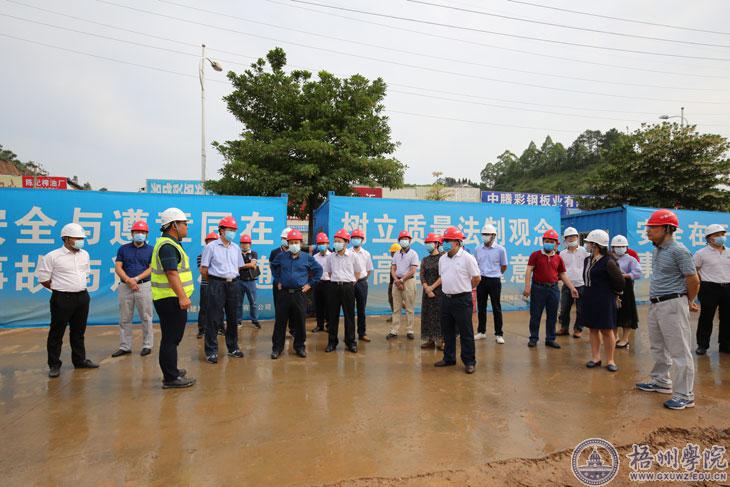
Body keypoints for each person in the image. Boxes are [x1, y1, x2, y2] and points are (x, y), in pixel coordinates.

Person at [635, 209, 699, 410]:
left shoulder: (679, 251)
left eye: (653, 228)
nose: (648, 231)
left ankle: (685, 395)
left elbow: (693, 280)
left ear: (667, 229)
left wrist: (687, 301)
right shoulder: (657, 250)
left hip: (673, 303)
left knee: (679, 350)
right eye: (648, 227)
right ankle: (661, 381)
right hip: (656, 304)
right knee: (658, 346)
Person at [36, 222, 99, 378]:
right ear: (66, 238)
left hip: (82, 297)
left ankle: (79, 360)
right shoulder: (53, 256)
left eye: (82, 238)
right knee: (57, 333)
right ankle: (54, 365)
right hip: (62, 298)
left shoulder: (85, 254)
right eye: (77, 238)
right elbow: (44, 279)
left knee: (78, 332)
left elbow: (85, 274)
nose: (80, 241)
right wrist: (60, 289)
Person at [150, 208, 195, 389]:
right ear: (173, 225)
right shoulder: (168, 246)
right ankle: (170, 378)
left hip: (169, 298)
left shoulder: (170, 244)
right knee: (171, 338)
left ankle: (172, 370)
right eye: (184, 224)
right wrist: (182, 297)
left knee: (172, 337)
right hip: (171, 299)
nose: (186, 227)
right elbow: (171, 273)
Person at [434, 227, 481, 374]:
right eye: (444, 241)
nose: (444, 243)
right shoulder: (442, 259)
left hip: (462, 300)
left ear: (457, 242)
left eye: (447, 241)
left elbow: (477, 278)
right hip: (446, 299)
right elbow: (443, 277)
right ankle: (449, 358)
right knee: (447, 331)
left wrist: (465, 288)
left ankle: (469, 361)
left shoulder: (467, 258)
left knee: (466, 332)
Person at [270, 229, 322, 359]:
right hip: (284, 294)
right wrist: (278, 280)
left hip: (299, 294)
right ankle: (277, 348)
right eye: (291, 242)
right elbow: (273, 266)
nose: (294, 245)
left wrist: (310, 284)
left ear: (301, 243)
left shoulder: (307, 258)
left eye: (296, 242)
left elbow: (318, 270)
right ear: (288, 243)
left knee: (300, 321)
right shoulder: (281, 257)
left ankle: (299, 347)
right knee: (280, 321)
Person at [523, 229, 580, 349]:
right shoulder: (535, 255)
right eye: (547, 241)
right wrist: (527, 286)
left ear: (556, 244)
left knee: (552, 315)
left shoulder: (558, 258)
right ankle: (533, 338)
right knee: (535, 315)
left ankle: (550, 339)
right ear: (543, 241)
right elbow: (529, 270)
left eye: (551, 241)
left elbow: (563, 274)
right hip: (538, 288)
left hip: (553, 289)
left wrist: (572, 288)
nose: (549, 243)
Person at [200, 215, 245, 364]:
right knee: (213, 318)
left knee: (233, 317)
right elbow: (204, 269)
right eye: (229, 229)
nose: (232, 232)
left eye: (234, 230)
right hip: (216, 284)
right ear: (221, 230)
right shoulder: (211, 247)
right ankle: (211, 351)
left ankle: (233, 348)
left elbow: (239, 267)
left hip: (233, 284)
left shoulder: (236, 248)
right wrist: (214, 282)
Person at [581, 230, 625, 372]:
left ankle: (610, 360)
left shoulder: (608, 261)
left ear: (596, 245)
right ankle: (596, 358)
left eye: (589, 243)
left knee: (606, 330)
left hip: (604, 299)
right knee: (593, 329)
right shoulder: (587, 260)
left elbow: (620, 281)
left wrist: (614, 294)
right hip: (589, 298)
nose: (587, 245)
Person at [111, 220, 154, 358]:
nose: (140, 234)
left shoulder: (151, 250)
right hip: (125, 286)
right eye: (137, 232)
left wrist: (136, 279)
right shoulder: (123, 249)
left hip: (144, 285)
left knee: (146, 317)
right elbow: (118, 267)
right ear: (132, 233)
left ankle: (147, 345)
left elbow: (151, 268)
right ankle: (125, 346)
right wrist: (128, 280)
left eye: (142, 232)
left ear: (146, 234)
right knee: (125, 317)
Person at [693, 223, 730, 355]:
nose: (721, 237)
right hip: (709, 287)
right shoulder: (701, 253)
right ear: (709, 238)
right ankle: (702, 345)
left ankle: (725, 345)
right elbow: (694, 271)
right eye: (717, 235)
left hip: (728, 287)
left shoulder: (729, 251)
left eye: (722, 234)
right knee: (706, 317)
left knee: (727, 318)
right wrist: (700, 283)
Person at [324, 229, 362, 353]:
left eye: (339, 241)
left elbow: (357, 272)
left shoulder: (353, 256)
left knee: (349, 315)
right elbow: (329, 272)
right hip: (334, 287)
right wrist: (337, 281)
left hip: (348, 287)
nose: (336, 243)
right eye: (335, 241)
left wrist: (350, 283)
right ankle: (332, 342)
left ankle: (350, 342)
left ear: (346, 242)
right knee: (332, 316)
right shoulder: (330, 257)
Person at [474, 223, 508, 344]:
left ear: (493, 236)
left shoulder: (500, 249)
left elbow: (504, 266)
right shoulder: (478, 249)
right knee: (481, 307)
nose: (485, 236)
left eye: (487, 234)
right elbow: (476, 265)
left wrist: (496, 273)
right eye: (483, 234)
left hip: (494, 280)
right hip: (481, 280)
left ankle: (499, 334)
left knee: (496, 307)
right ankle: (481, 331)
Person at [387, 230, 420, 340]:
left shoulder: (413, 254)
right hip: (396, 282)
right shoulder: (396, 254)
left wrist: (402, 280)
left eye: (406, 239)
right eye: (402, 239)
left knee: (409, 308)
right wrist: (397, 280)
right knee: (396, 308)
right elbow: (393, 268)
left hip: (409, 282)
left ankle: (410, 330)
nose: (404, 241)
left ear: (410, 240)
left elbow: (413, 270)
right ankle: (394, 330)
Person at [557, 227, 589, 338]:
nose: (571, 239)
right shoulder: (562, 254)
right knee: (564, 308)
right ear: (565, 239)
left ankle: (578, 329)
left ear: (577, 237)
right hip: (567, 285)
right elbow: (560, 270)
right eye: (568, 237)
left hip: (582, 285)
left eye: (573, 236)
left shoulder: (584, 251)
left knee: (581, 309)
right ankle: (564, 328)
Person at [611, 235, 642, 349]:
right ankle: (614, 337)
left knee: (626, 313)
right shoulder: (609, 258)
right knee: (612, 313)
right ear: (612, 247)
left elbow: (637, 273)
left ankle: (625, 339)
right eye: (617, 246)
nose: (620, 248)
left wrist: (625, 275)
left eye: (622, 246)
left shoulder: (631, 259)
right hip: (611, 288)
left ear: (626, 247)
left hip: (626, 288)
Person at [420, 233, 444, 350]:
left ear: (437, 244)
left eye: (430, 243)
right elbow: (422, 275)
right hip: (427, 293)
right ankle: (430, 340)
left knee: (439, 316)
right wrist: (427, 288)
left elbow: (443, 275)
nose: (428, 245)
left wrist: (432, 287)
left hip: (439, 292)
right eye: (427, 243)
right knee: (428, 315)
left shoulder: (443, 258)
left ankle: (441, 340)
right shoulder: (425, 260)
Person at [350, 229, 374, 343]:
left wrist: (361, 279)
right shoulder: (348, 253)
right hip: (349, 283)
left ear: (362, 240)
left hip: (362, 283)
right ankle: (350, 335)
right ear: (351, 239)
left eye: (358, 238)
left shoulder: (366, 254)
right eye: (354, 238)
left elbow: (369, 270)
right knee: (349, 310)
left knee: (361, 309)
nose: (356, 240)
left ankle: (362, 333)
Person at [196, 232, 219, 339]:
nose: (212, 243)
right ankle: (202, 330)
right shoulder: (201, 256)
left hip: (218, 285)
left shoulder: (221, 255)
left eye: (214, 241)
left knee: (219, 308)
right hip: (206, 285)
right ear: (206, 243)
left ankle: (220, 328)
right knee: (204, 307)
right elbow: (203, 271)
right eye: (210, 241)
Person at [238, 233, 260, 329]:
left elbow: (252, 264)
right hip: (239, 281)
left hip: (250, 281)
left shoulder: (253, 253)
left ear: (250, 244)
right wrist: (249, 265)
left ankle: (254, 321)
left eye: (246, 243)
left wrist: (240, 266)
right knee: (238, 303)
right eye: (242, 243)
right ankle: (238, 321)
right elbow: (250, 265)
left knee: (253, 303)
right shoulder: (237, 253)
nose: (244, 245)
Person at [311, 232, 331, 333]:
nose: (321, 245)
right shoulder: (315, 257)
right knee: (318, 305)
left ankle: (329, 325)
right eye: (319, 243)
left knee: (329, 306)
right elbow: (312, 270)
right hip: (318, 284)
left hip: (329, 283)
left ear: (328, 244)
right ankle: (320, 325)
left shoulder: (332, 256)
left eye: (323, 243)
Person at [387, 242, 401, 322]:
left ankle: (396, 317)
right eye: (391, 252)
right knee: (391, 300)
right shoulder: (393, 261)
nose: (391, 253)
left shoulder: (400, 262)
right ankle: (394, 315)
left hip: (397, 284)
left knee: (396, 301)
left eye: (393, 252)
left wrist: (398, 283)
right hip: (391, 283)